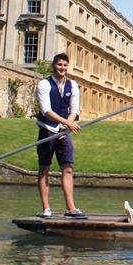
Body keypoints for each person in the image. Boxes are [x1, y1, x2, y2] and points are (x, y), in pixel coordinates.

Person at [35, 53, 86, 219]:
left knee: (68, 168)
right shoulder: (44, 84)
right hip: (47, 130)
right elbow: (46, 111)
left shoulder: (73, 85)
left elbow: (75, 110)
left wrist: (66, 125)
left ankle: (70, 208)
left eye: (65, 65)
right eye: (59, 65)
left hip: (64, 132)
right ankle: (46, 208)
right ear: (53, 66)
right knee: (44, 169)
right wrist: (67, 124)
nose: (62, 68)